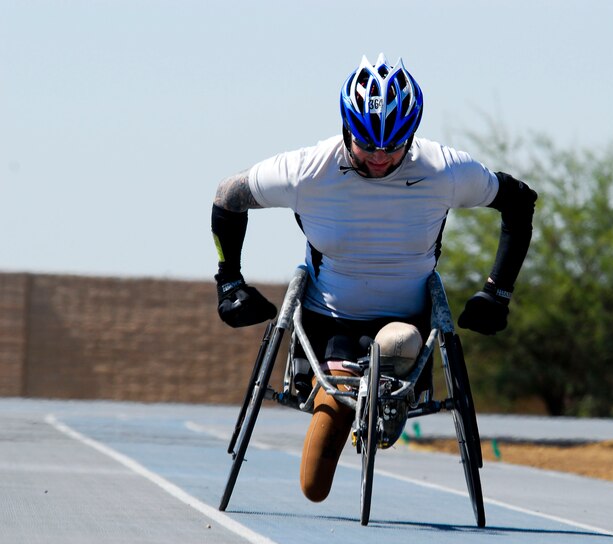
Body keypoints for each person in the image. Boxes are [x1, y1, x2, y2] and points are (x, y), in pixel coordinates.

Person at [211, 54, 537, 503]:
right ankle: (354, 392)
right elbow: (228, 197)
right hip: (330, 318)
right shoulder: (307, 170)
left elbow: (519, 202)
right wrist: (229, 282)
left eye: (395, 146)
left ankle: (385, 393)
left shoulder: (444, 169)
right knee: (313, 487)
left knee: (399, 342)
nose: (381, 158)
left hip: (409, 319)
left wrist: (497, 291)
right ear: (347, 128)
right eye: (368, 145)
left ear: (412, 134)